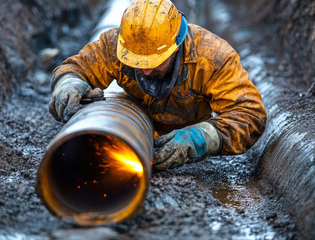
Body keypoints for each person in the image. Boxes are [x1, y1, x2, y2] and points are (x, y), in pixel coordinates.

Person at [48, 0, 267, 171]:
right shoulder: (116, 45)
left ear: (177, 45)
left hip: (183, 143)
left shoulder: (212, 59)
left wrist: (198, 139)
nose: (146, 71)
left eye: (154, 62)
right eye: (137, 62)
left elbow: (251, 115)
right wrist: (68, 84)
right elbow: (76, 67)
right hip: (128, 139)